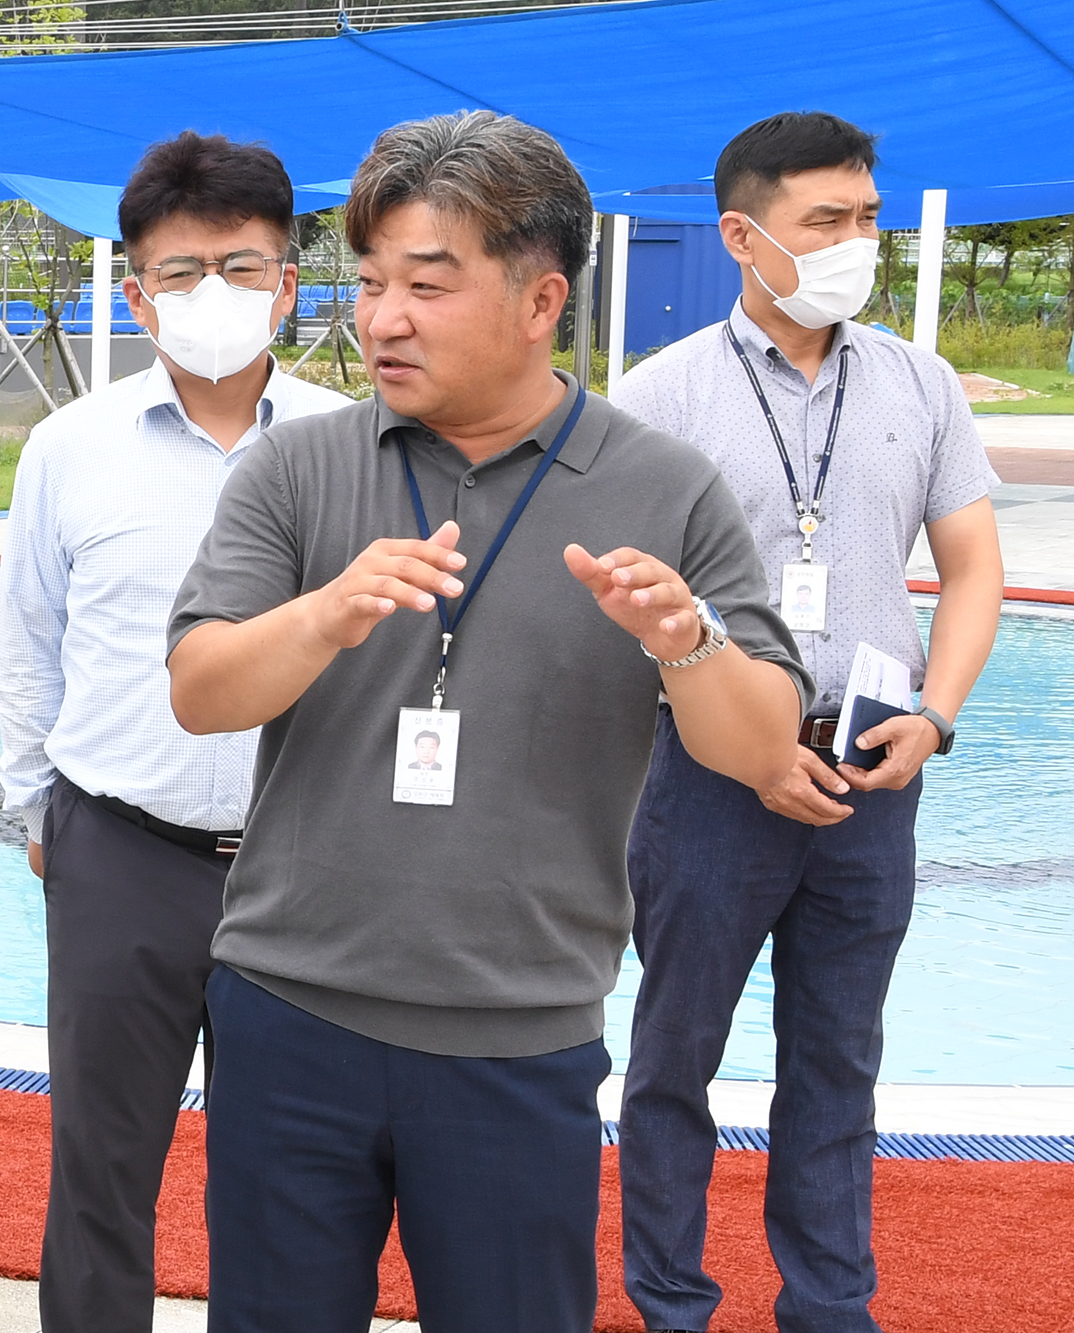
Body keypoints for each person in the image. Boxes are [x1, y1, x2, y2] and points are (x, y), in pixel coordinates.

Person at [164, 111, 811, 1333]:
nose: (382, 319)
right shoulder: (295, 468)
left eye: (426, 285)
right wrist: (324, 614)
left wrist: (684, 640)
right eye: (369, 283)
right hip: (288, 1011)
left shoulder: (663, 486)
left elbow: (760, 746)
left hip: (518, 1032)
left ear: (538, 300)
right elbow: (200, 691)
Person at [609, 112, 1002, 1333]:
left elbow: (973, 569)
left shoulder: (918, 384)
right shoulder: (661, 395)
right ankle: (670, 1304)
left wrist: (934, 718)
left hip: (872, 764)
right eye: (823, 221)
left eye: (865, 218)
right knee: (674, 1054)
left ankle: (829, 1307)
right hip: (708, 775)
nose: (854, 243)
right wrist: (746, 750)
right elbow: (628, 610)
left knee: (837, 1056)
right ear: (741, 235)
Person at [0, 131, 352, 1333]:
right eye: (181, 271)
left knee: (289, 1179)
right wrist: (37, 812)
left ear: (286, 284)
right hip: (119, 851)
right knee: (101, 1169)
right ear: (136, 294)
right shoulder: (70, 448)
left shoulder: (351, 445)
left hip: (299, 864)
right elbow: (29, 640)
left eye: (240, 267)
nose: (213, 294)